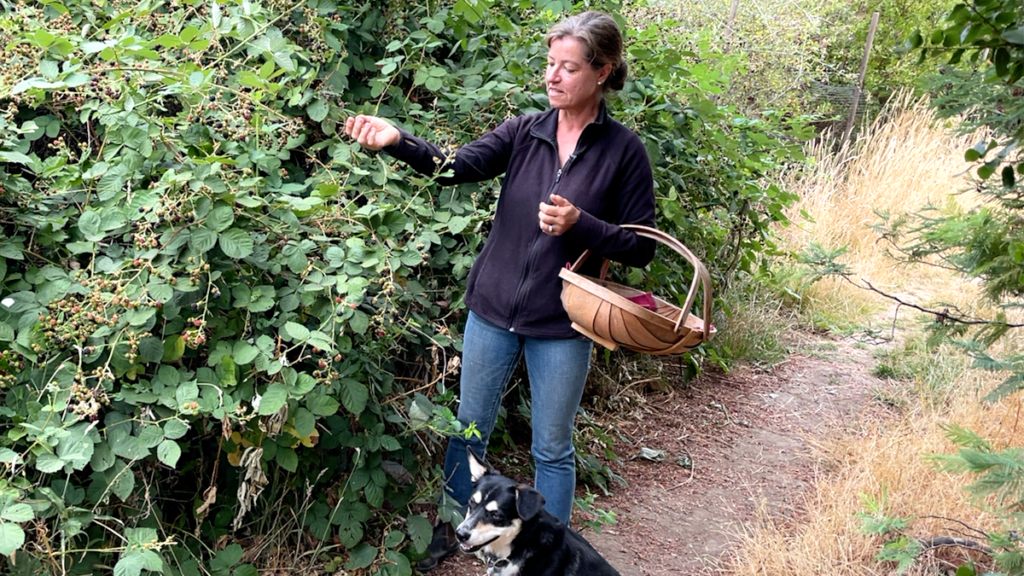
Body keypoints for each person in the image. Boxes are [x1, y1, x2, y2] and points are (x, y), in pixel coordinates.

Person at [344, 10, 656, 572]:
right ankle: (454, 534)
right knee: (468, 431)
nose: (553, 77)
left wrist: (581, 224)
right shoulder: (524, 131)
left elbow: (641, 244)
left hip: (562, 323)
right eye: (549, 65)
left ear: (603, 71)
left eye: (568, 67)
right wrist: (398, 141)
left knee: (552, 449)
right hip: (491, 311)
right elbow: (454, 167)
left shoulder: (623, 152)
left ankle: (547, 557)